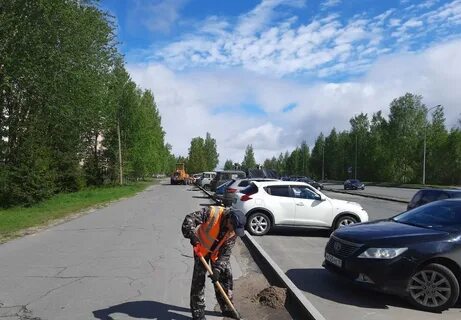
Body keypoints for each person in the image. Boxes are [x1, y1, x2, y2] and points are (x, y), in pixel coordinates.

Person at [181, 206, 246, 320]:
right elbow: (189, 219)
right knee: (198, 282)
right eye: (233, 227)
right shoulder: (212, 213)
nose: (233, 231)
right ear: (228, 220)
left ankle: (227, 308)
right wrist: (192, 235)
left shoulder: (233, 231)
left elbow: (226, 254)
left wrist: (217, 270)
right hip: (201, 249)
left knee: (226, 277)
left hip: (216, 253)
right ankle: (198, 313)